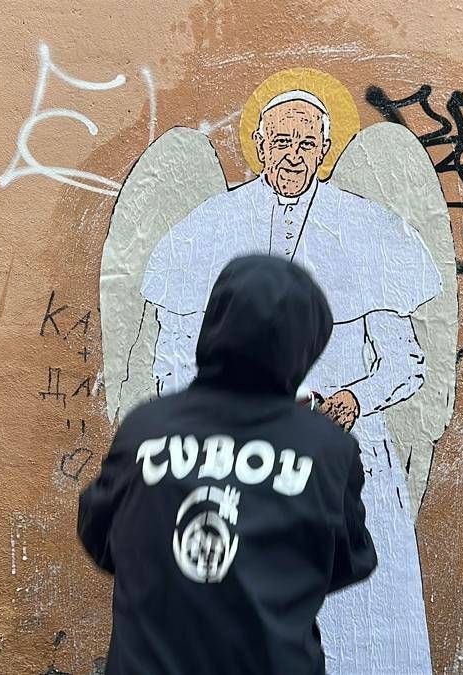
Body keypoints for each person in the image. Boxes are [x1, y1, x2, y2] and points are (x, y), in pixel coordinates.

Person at [139, 88, 439, 672]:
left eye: (306, 143)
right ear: (258, 146)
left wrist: (354, 399)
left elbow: (405, 363)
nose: (293, 155)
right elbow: (172, 359)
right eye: (281, 142)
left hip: (344, 462)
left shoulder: (362, 229)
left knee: (357, 629)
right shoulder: (212, 227)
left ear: (325, 149)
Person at [78, 255, 377, 675]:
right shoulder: (328, 450)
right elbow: (350, 560)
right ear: (305, 345)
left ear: (215, 321)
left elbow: (99, 533)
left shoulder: (146, 428)